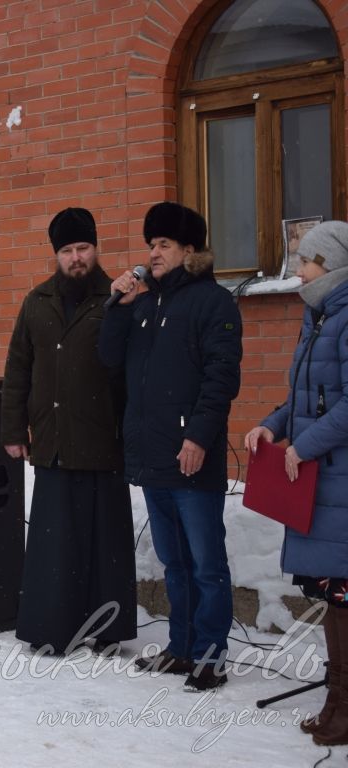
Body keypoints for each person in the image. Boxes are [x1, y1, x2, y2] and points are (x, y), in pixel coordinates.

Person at [99, 201, 242, 691]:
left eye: (163, 245)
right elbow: (109, 358)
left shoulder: (213, 302)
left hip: (191, 456)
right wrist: (117, 305)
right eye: (151, 245)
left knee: (205, 563)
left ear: (189, 249)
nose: (153, 253)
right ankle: (181, 649)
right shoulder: (144, 304)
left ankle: (210, 656)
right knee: (174, 561)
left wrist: (199, 436)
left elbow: (221, 378)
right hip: (155, 457)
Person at [1, 207, 136, 656]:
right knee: (54, 546)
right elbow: (18, 368)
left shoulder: (118, 299)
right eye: (67, 251)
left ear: (95, 249)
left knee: (105, 545)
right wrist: (13, 428)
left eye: (83, 248)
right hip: (53, 441)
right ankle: (51, 629)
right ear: (55, 255)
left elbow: (131, 373)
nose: (77, 258)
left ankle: (107, 631)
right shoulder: (36, 302)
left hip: (102, 439)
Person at [245, 221, 348, 745]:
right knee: (334, 596)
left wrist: (303, 446)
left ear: (329, 264)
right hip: (321, 483)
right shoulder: (318, 315)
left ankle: (345, 706)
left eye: (305, 261)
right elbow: (304, 400)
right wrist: (273, 424)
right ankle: (337, 698)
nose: (298, 270)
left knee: (344, 595)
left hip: (339, 481)